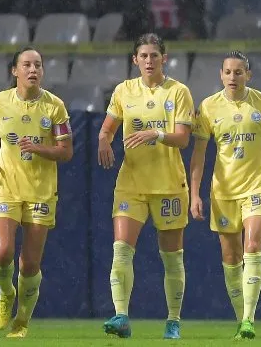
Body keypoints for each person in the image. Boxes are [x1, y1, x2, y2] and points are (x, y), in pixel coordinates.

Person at [190, 51, 261, 340]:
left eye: (239, 72)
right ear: (221, 75)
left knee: (252, 246)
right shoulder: (209, 107)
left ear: (248, 75)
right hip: (223, 191)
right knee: (231, 256)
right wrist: (195, 194)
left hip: (258, 185)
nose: (232, 77)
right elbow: (199, 156)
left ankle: (249, 319)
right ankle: (241, 318)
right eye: (228, 71)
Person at [98, 34, 195, 340]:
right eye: (144, 56)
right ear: (135, 60)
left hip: (168, 184)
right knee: (121, 250)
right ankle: (122, 316)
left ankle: (173, 320)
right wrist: (103, 140)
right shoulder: (123, 91)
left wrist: (157, 134)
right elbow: (108, 127)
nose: (149, 61)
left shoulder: (179, 92)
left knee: (171, 257)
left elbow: (183, 138)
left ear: (164, 59)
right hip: (132, 182)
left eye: (154, 55)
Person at [0, 47, 73, 338]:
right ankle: (6, 293)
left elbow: (66, 151)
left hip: (40, 192)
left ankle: (21, 321)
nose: (33, 70)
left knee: (29, 263)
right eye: (27, 65)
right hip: (5, 187)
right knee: (2, 252)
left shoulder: (55, 106)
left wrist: (40, 148)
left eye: (38, 65)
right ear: (14, 71)